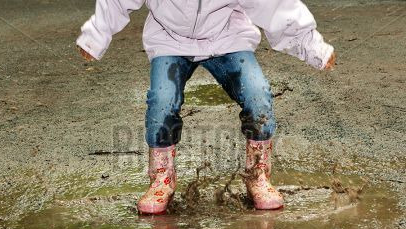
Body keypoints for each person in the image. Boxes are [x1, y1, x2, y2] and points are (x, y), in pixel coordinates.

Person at [77, 0, 336, 215]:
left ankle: (258, 175)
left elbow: (274, 6)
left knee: (257, 94)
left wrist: (311, 46)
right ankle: (161, 179)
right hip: (170, 40)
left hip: (226, 37)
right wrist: (96, 35)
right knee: (161, 101)